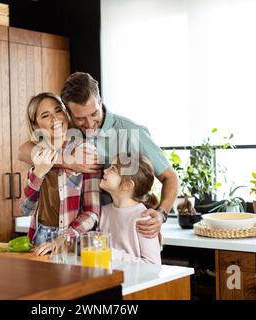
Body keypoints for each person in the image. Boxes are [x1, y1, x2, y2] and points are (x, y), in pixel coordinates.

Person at [19, 73, 179, 238]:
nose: (89, 124)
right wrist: (68, 162)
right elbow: (24, 151)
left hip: (129, 227)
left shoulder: (131, 131)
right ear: (69, 113)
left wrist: (161, 213)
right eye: (80, 118)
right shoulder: (66, 130)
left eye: (94, 113)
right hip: (87, 233)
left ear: (100, 101)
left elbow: (170, 177)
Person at [19, 92, 101, 256]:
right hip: (39, 237)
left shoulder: (84, 151)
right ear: (36, 126)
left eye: (58, 111)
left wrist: (64, 237)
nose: (55, 118)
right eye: (45, 115)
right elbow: (25, 209)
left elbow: (92, 212)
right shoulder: (38, 154)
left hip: (71, 241)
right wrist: (39, 173)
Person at [99, 154, 161, 265]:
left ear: (127, 185)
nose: (105, 171)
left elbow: (153, 265)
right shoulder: (103, 211)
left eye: (113, 169)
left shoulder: (143, 218)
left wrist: (112, 254)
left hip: (133, 282)